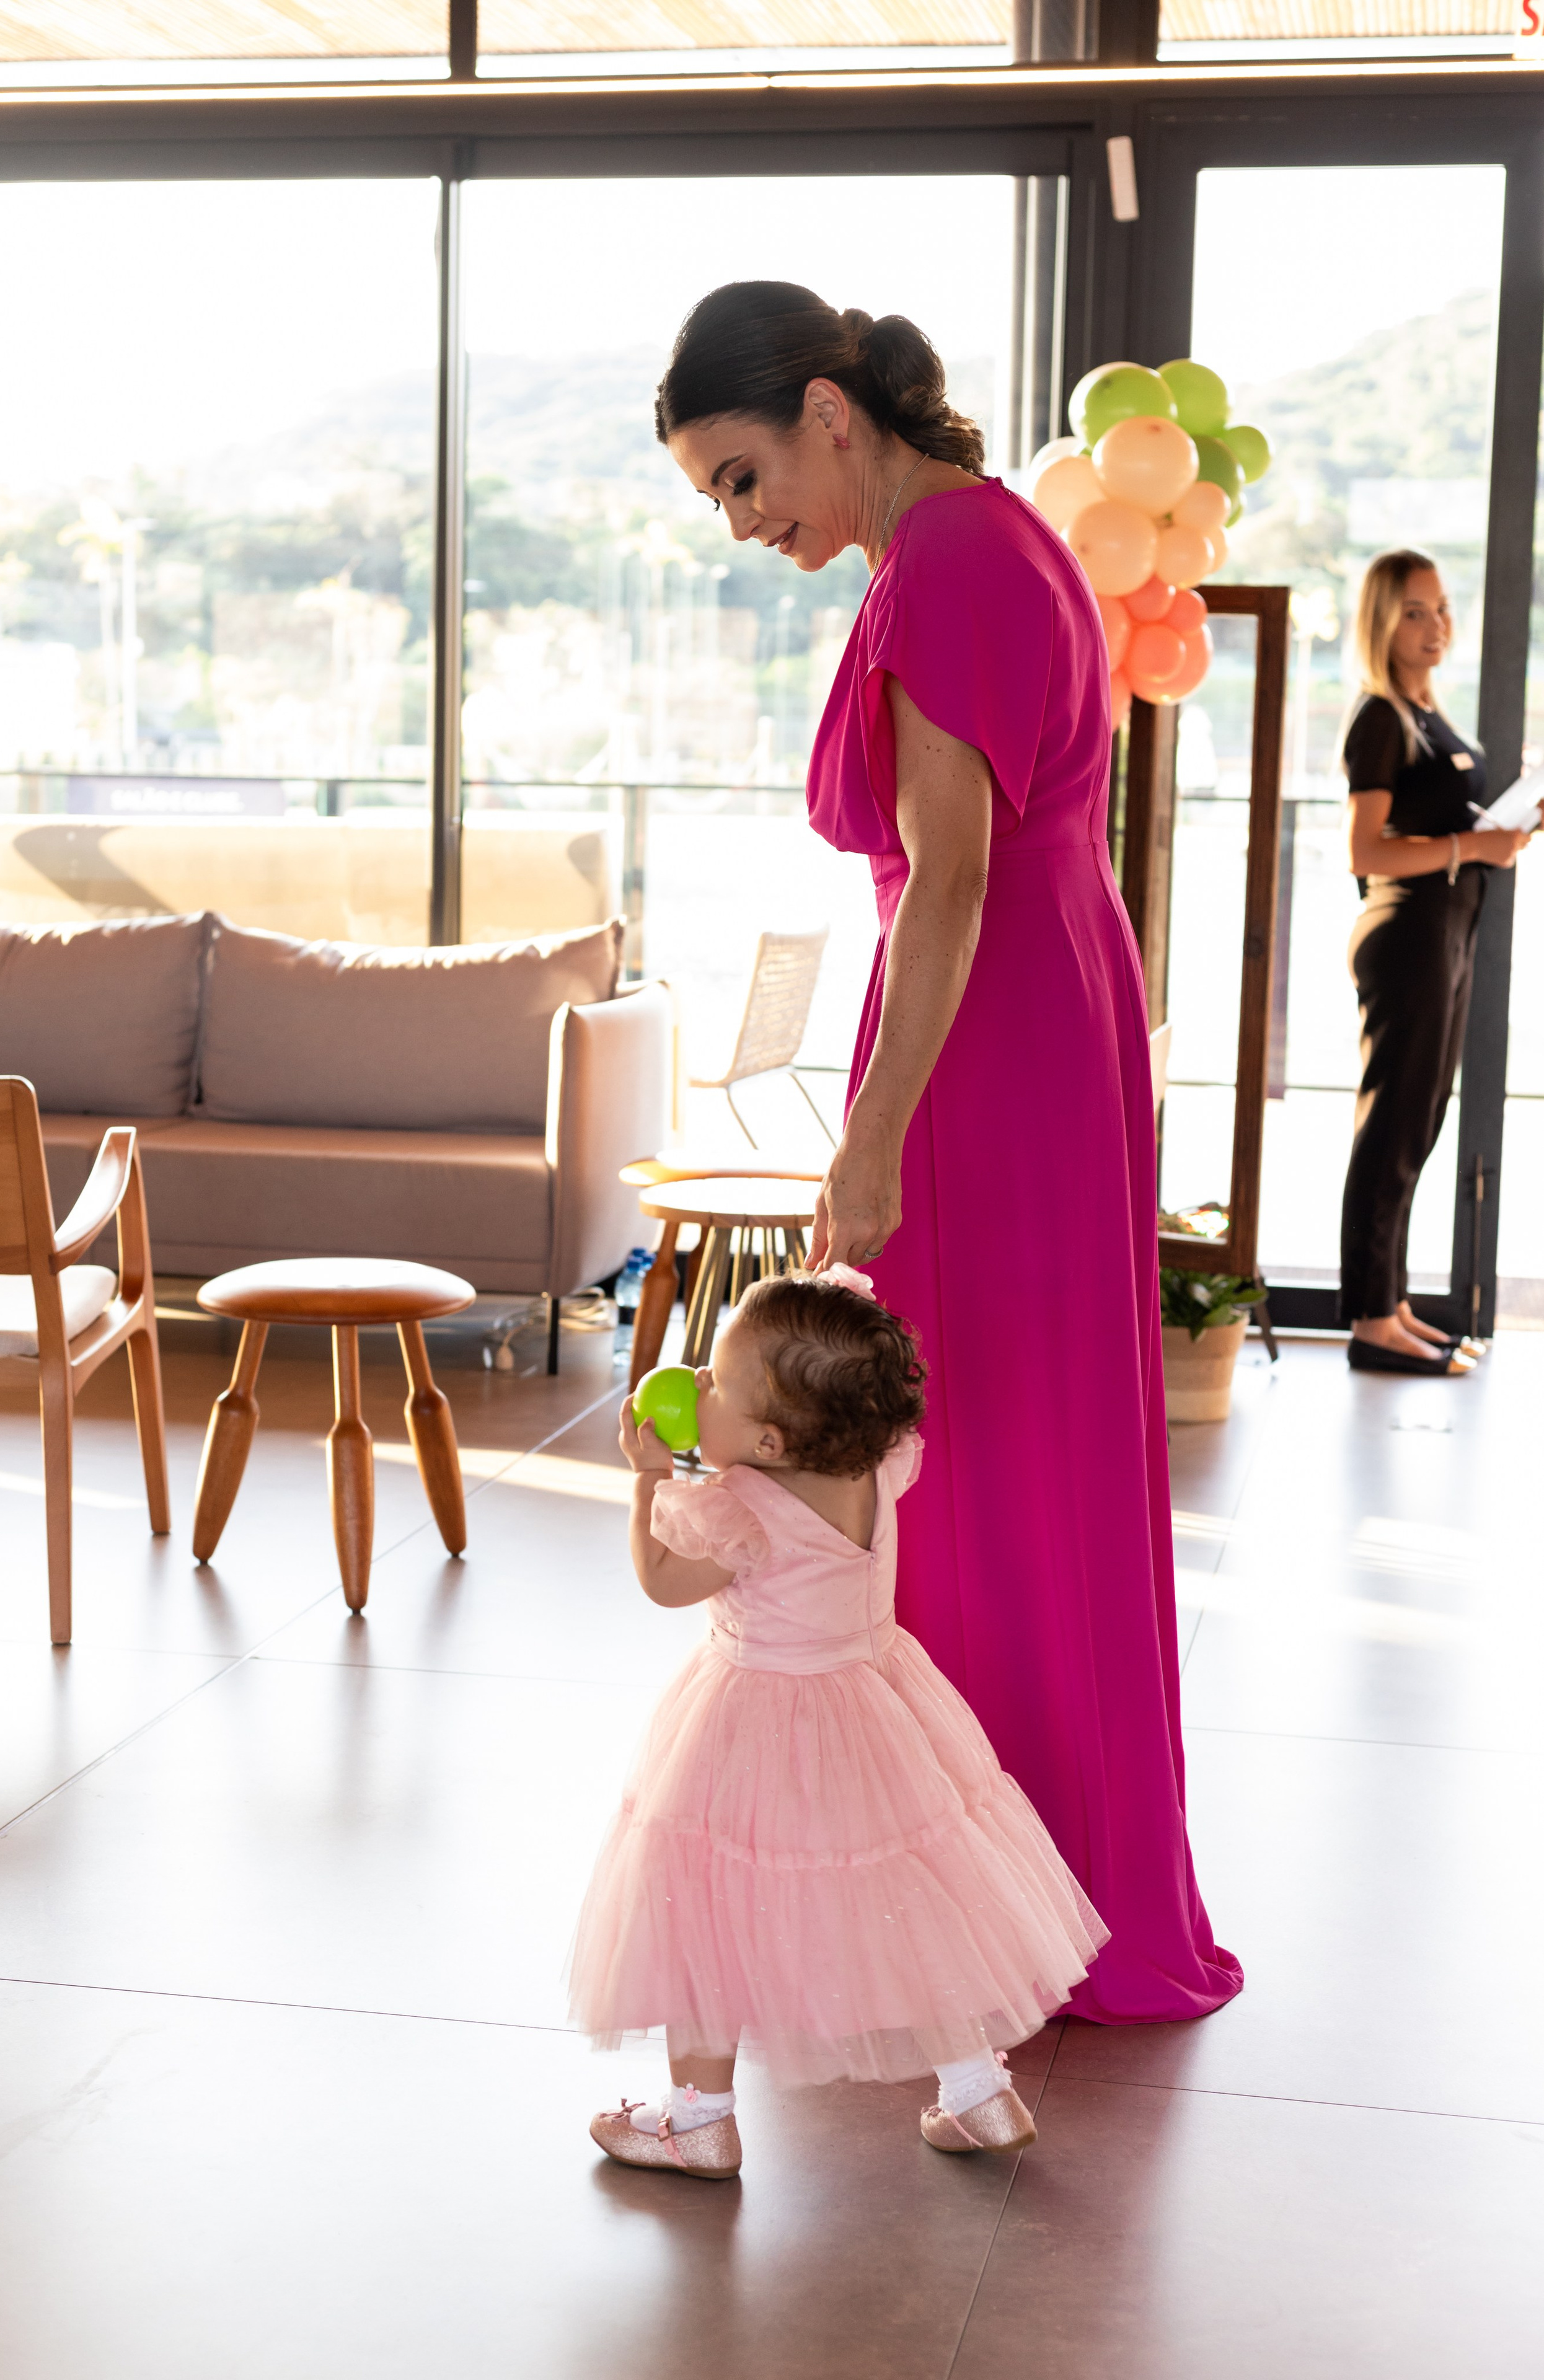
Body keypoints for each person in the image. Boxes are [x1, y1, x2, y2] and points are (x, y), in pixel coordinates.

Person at [653, 281, 1240, 2025]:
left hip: (983, 1042)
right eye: (721, 503)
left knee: (957, 1462)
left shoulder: (954, 566)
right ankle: (1021, 1893)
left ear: (834, 409)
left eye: (745, 479)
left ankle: (991, 1911)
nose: (752, 529)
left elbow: (956, 875)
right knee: (1008, 1456)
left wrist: (877, 1131)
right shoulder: (991, 544)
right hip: (1035, 1013)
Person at [571, 1269, 1106, 2178]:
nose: (696, 1382)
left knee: (698, 1903)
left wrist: (649, 1482)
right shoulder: (870, 1468)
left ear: (770, 1438)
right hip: (877, 1713)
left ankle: (696, 2119)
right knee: (914, 1903)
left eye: (715, 1384)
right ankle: (979, 2091)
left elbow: (662, 1582)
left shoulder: (740, 1511)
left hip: (750, 1728)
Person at [1339, 550, 1533, 1375]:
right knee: (1391, 1124)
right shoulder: (1380, 716)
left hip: (1449, 934)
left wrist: (1498, 833)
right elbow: (1366, 848)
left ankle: (1395, 1304)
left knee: (1419, 1123)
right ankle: (1369, 1322)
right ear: (1384, 620)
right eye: (1416, 611)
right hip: (1409, 937)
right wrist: (1473, 844)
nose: (1436, 626)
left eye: (1443, 609)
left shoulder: (1430, 717)